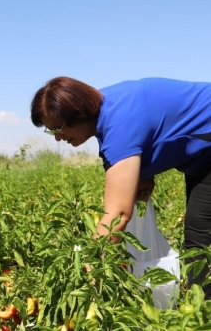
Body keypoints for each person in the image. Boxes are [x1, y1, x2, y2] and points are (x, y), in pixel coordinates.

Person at [30, 76, 211, 297]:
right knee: (200, 234)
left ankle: (202, 311)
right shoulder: (106, 108)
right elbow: (156, 132)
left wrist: (90, 264)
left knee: (200, 235)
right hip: (203, 158)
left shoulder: (119, 126)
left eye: (58, 128)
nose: (58, 137)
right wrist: (145, 173)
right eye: (51, 131)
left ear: (78, 114)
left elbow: (118, 214)